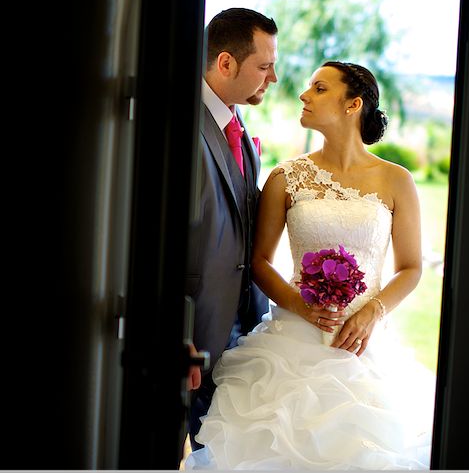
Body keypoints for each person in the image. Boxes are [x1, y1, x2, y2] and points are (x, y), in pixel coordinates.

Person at [185, 61, 436, 469]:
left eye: (319, 89)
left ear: (353, 105)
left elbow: (410, 267)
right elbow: (260, 262)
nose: (304, 95)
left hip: (364, 343)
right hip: (291, 341)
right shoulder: (286, 177)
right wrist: (300, 304)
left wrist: (374, 311)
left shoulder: (397, 180)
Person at [184, 8, 278, 451]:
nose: (273, 78)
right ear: (225, 63)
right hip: (193, 338)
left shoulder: (238, 126)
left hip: (241, 334)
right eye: (264, 66)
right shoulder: (181, 129)